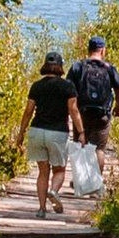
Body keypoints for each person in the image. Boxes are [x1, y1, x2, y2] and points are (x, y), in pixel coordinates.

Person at [16, 50, 81, 216]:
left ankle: (41, 209)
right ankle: (54, 191)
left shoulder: (36, 86)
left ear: (45, 65)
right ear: (60, 67)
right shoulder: (68, 86)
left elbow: (28, 111)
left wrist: (21, 132)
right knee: (59, 170)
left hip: (37, 131)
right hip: (57, 133)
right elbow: (73, 111)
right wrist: (81, 131)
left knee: (42, 172)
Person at [68, 31, 119, 189]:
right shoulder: (109, 68)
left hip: (81, 113)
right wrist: (117, 108)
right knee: (99, 149)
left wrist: (70, 111)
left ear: (89, 49)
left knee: (80, 144)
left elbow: (68, 90)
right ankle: (95, 183)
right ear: (103, 50)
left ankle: (79, 182)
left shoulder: (78, 66)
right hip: (102, 115)